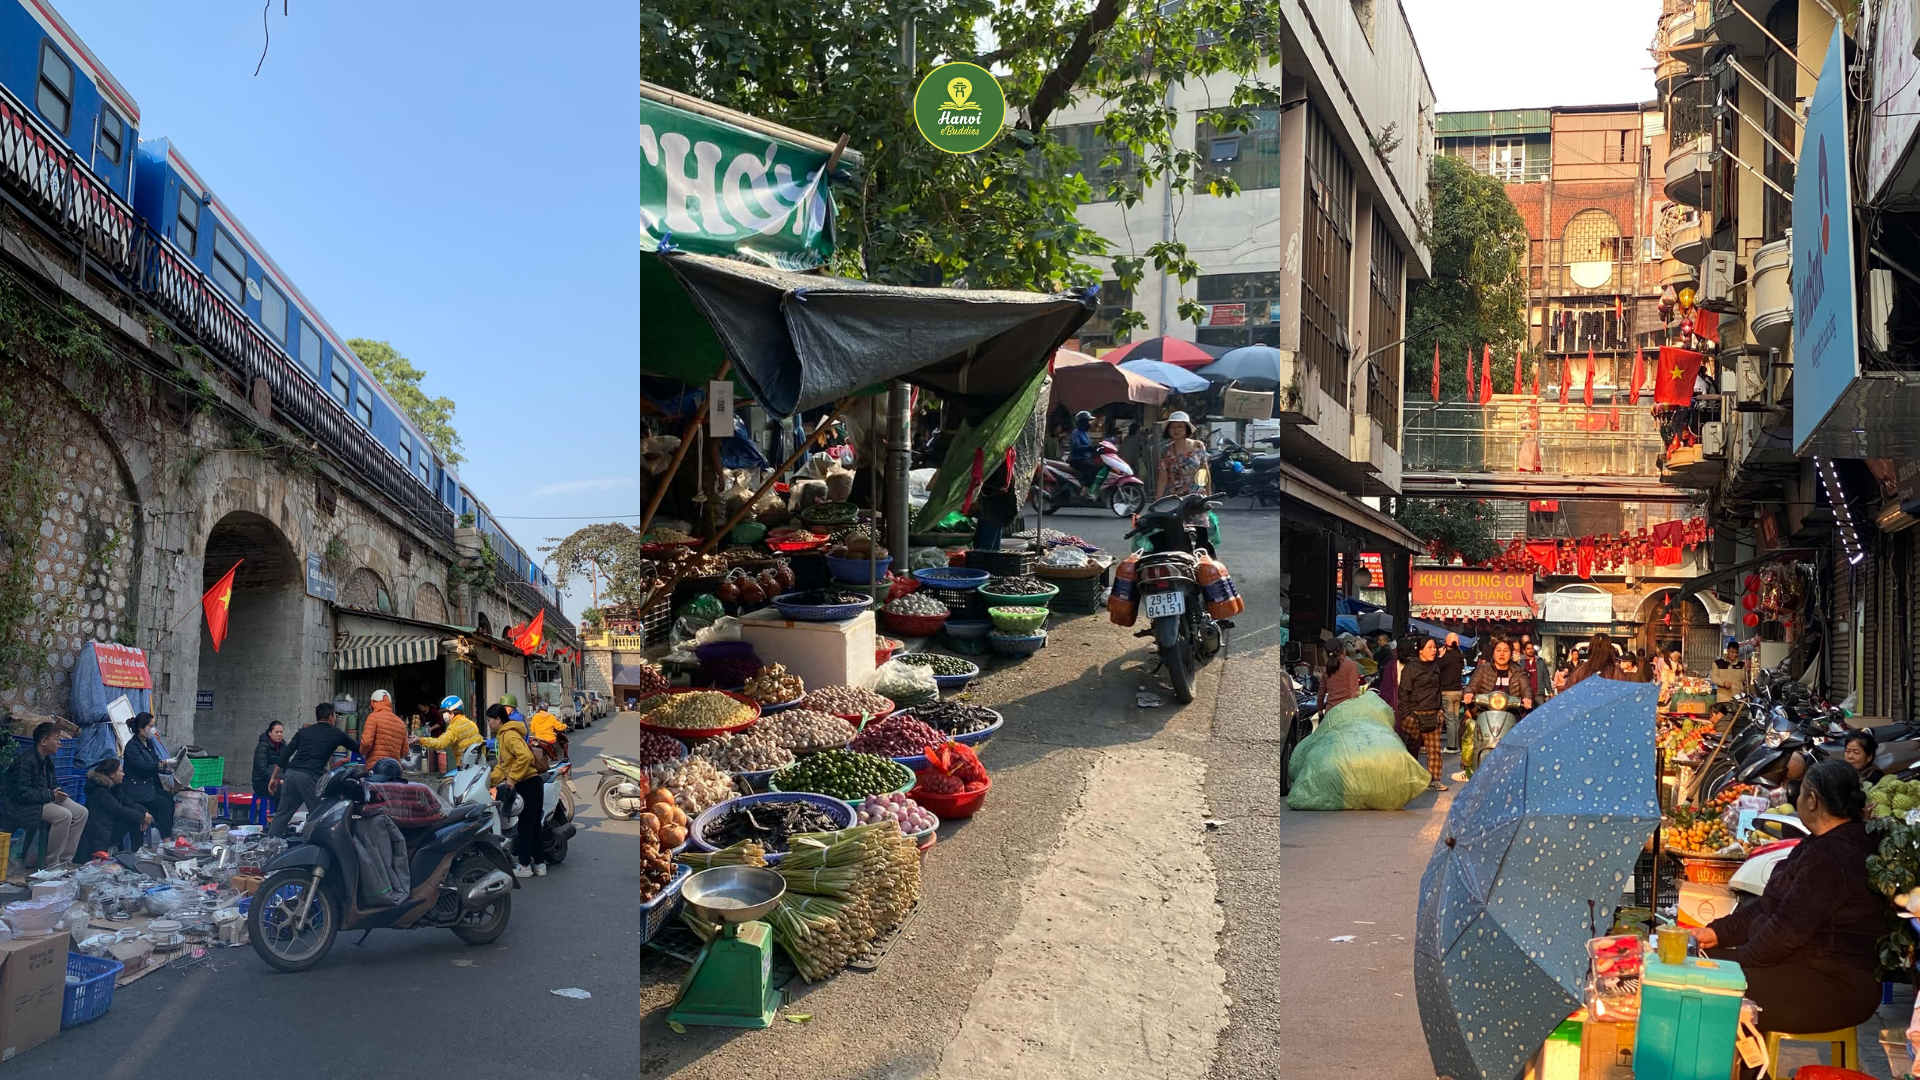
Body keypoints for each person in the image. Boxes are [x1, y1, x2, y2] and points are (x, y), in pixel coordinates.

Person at [1689, 761, 1885, 1038]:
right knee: (1695, 964)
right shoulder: (1819, 843)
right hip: (1804, 966)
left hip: (1836, 985)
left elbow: (1786, 930)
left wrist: (1736, 963)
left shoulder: (1834, 856)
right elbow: (1769, 905)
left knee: (1708, 988)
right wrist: (1717, 933)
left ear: (1812, 800)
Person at [1, 722, 89, 868]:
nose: (59, 743)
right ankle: (51, 862)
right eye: (56, 739)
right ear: (43, 741)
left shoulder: (47, 761)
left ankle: (66, 859)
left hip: (42, 799)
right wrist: (51, 796)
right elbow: (21, 794)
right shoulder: (26, 762)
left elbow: (52, 784)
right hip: (21, 807)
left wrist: (58, 792)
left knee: (81, 812)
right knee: (63, 815)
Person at [267, 703, 360, 838]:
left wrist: (273, 777)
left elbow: (285, 754)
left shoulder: (304, 731)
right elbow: (358, 748)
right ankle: (314, 847)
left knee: (282, 814)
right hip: (308, 777)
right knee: (318, 814)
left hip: (290, 775)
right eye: (334, 716)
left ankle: (270, 846)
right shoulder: (336, 733)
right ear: (330, 717)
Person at [486, 704, 545, 878]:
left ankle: (525, 865)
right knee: (533, 826)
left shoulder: (508, 735)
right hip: (531, 783)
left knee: (527, 826)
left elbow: (524, 757)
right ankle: (540, 864)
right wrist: (488, 781)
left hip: (527, 783)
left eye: (489, 720)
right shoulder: (503, 736)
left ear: (498, 720)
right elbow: (503, 766)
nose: (488, 723)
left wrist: (512, 779)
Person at [1396, 636, 1447, 792]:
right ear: (1420, 649)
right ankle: (1406, 779)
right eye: (1430, 647)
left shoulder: (1435, 667)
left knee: (1434, 750)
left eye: (1435, 647)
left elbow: (1438, 690)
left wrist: (1440, 711)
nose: (1434, 650)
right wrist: (1407, 715)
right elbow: (1403, 692)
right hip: (1413, 715)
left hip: (1432, 713)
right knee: (1409, 749)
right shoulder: (1410, 668)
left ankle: (1434, 780)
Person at [78, 757, 150, 858]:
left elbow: (129, 802)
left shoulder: (115, 787)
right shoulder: (99, 791)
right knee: (135, 817)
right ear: (112, 774)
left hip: (111, 826)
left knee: (136, 818)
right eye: (121, 771)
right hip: (99, 833)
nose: (123, 774)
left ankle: (137, 852)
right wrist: (142, 817)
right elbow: (118, 809)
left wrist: (145, 813)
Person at [121, 712, 176, 837]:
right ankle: (165, 838)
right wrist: (165, 763)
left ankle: (164, 833)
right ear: (141, 729)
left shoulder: (148, 743)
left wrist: (168, 769)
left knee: (171, 799)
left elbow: (155, 761)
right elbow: (143, 767)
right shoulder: (132, 747)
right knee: (165, 805)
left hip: (149, 786)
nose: (153, 730)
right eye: (151, 726)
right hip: (137, 789)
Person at [1463, 637, 1537, 712]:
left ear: (1511, 653)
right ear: (1493, 653)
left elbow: (1526, 688)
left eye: (1506, 651)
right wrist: (1468, 693)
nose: (1502, 654)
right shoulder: (1482, 669)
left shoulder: (1518, 671)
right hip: (1483, 713)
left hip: (1512, 715)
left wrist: (1527, 698)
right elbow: (1472, 685)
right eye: (1498, 650)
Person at [415, 696, 482, 768]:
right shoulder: (471, 723)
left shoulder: (455, 727)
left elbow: (441, 743)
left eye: (445, 712)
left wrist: (420, 740)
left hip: (465, 765)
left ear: (452, 712)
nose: (443, 715)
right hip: (477, 762)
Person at [1155, 412, 1208, 500]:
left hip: (1197, 498)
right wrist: (1157, 501)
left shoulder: (1198, 446)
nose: (1176, 430)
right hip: (1175, 500)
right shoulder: (1166, 450)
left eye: (1180, 426)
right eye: (1173, 427)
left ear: (1186, 429)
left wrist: (1208, 496)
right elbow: (1162, 478)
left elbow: (1204, 471)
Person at [359, 689, 409, 769]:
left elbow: (366, 743)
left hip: (376, 768)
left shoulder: (373, 717)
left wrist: (363, 753)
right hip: (394, 769)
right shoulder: (401, 723)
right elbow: (405, 752)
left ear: (373, 704)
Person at [1436, 633, 1467, 755]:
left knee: (1449, 720)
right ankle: (1456, 745)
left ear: (1446, 643)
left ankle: (1451, 746)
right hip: (1458, 690)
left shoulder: (1446, 657)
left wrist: (1440, 656)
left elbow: (1437, 667)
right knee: (1455, 720)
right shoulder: (1460, 656)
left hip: (1447, 690)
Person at [251, 721, 286, 808]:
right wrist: (276, 779)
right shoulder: (263, 746)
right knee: (281, 790)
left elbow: (286, 765)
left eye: (281, 732)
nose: (279, 734)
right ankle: (277, 816)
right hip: (262, 782)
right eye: (276, 732)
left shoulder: (283, 746)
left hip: (279, 779)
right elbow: (262, 769)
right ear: (270, 733)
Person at [1319, 650, 1362, 715]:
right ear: (1343, 651)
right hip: (1347, 711)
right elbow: (1353, 691)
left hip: (1330, 712)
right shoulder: (1351, 665)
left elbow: (1321, 693)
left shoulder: (1327, 669)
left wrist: (1320, 710)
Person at [1068, 411, 1096, 487]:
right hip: (1077, 459)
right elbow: (1076, 447)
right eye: (1088, 421)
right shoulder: (1076, 433)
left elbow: (1089, 447)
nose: (1090, 423)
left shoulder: (1085, 433)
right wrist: (1090, 448)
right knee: (1094, 469)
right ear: (1083, 422)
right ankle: (1086, 489)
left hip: (1085, 459)